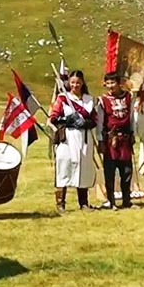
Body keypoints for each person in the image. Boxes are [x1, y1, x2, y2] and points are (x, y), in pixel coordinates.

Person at [48, 70, 97, 211]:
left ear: (82, 83)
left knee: (83, 169)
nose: (75, 85)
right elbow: (54, 117)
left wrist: (86, 123)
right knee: (65, 167)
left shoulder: (89, 99)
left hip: (84, 138)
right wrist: (66, 120)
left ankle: (84, 203)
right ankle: (61, 203)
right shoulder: (63, 98)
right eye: (73, 82)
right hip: (68, 138)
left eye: (78, 82)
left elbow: (94, 119)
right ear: (69, 83)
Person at [96, 72, 135, 209]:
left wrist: (133, 134)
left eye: (113, 82)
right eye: (108, 83)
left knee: (126, 171)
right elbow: (100, 122)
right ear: (105, 84)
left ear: (119, 83)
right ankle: (111, 201)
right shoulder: (102, 100)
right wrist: (100, 140)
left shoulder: (129, 97)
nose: (111, 86)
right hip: (110, 140)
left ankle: (127, 200)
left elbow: (131, 117)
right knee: (110, 172)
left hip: (125, 138)